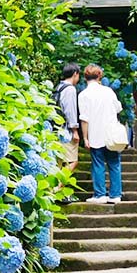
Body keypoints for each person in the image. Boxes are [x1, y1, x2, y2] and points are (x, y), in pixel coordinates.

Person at [78, 64, 124, 205]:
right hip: (111, 134)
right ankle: (115, 194)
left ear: (85, 77)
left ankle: (100, 194)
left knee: (97, 164)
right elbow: (118, 108)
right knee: (114, 163)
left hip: (95, 134)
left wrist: (85, 138)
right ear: (99, 77)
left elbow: (84, 119)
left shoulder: (83, 95)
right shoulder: (108, 91)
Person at [53, 63, 81, 204]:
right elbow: (70, 110)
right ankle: (57, 190)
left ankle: (59, 192)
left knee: (59, 163)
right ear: (75, 73)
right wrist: (75, 130)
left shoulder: (58, 87)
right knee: (72, 161)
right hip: (66, 131)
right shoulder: (70, 89)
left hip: (56, 129)